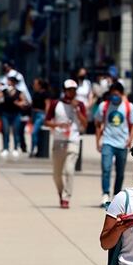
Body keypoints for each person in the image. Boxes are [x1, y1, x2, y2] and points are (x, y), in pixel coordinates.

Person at [96, 81, 133, 207]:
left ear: (121, 94)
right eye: (112, 94)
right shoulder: (104, 106)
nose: (114, 97)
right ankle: (105, 194)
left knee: (120, 172)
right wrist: (98, 140)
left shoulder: (128, 106)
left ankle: (116, 195)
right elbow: (98, 123)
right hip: (107, 142)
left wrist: (130, 139)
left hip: (122, 144)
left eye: (116, 94)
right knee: (106, 168)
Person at [44, 80, 88, 208]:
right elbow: (47, 121)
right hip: (59, 140)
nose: (72, 92)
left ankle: (66, 197)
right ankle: (60, 191)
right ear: (64, 90)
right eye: (69, 89)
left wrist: (77, 110)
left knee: (69, 170)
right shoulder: (55, 104)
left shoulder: (80, 104)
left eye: (74, 90)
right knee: (56, 174)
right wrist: (58, 125)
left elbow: (85, 124)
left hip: (73, 140)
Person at [0, 72, 29, 158]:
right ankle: (5, 148)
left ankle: (15, 148)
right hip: (5, 113)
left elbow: (24, 101)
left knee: (16, 131)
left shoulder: (19, 92)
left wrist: (18, 103)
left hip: (15, 114)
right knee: (5, 131)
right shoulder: (4, 91)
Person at [29, 78, 49, 157]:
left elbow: (47, 104)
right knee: (36, 133)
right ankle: (35, 149)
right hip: (35, 114)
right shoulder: (35, 93)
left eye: (35, 84)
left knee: (34, 132)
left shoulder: (45, 94)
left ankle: (34, 149)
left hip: (41, 114)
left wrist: (46, 116)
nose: (34, 86)